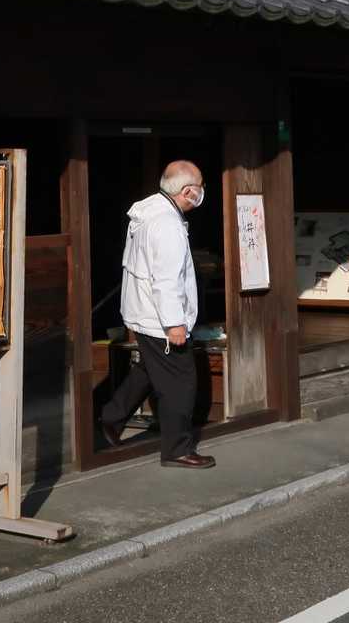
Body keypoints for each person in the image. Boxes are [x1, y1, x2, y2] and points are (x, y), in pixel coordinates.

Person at [99, 160, 216, 469]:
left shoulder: (149, 210)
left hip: (143, 311)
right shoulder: (167, 225)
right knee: (181, 382)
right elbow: (166, 280)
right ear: (188, 191)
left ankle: (111, 417)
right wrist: (174, 324)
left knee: (151, 370)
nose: (202, 193)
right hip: (160, 319)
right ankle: (177, 449)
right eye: (200, 187)